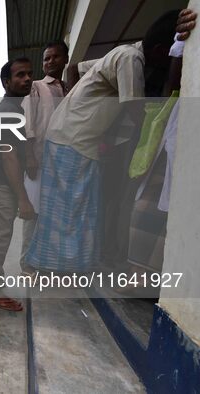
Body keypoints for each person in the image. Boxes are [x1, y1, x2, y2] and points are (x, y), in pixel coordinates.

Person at [26, 10, 195, 273]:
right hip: (74, 139)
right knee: (69, 210)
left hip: (74, 138)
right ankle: (56, 269)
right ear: (163, 50)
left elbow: (74, 68)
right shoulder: (130, 58)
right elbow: (136, 111)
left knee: (78, 207)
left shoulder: (122, 52)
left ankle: (68, 266)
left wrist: (76, 99)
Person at [0, 58, 33, 310]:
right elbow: (9, 155)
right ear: (6, 82)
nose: (27, 79)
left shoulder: (15, 109)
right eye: (20, 75)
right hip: (2, 185)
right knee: (0, 238)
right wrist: (23, 198)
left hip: (3, 183)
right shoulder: (8, 110)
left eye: (29, 74)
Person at [20, 42, 69, 274]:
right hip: (38, 160)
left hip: (62, 162)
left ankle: (47, 262)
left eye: (55, 57)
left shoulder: (69, 90)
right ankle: (26, 263)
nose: (50, 62)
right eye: (46, 59)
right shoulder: (36, 87)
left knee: (54, 214)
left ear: (65, 59)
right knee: (33, 213)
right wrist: (29, 156)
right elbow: (28, 123)